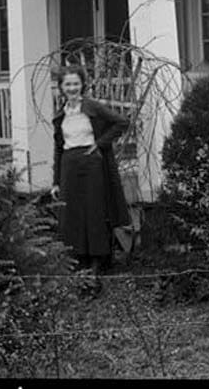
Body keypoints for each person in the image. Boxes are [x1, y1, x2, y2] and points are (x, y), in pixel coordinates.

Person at [50, 67, 129, 291]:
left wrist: (100, 144)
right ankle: (79, 266)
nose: (72, 88)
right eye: (68, 85)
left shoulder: (92, 106)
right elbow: (57, 149)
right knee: (72, 216)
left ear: (82, 85)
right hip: (69, 166)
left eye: (76, 84)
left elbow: (121, 122)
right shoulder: (61, 115)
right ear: (61, 88)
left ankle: (96, 268)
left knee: (94, 213)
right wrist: (55, 181)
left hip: (92, 164)